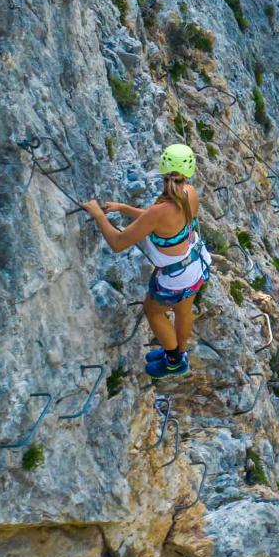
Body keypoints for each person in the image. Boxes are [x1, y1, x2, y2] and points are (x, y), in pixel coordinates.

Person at [83, 144, 211, 382]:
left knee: (154, 311)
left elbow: (119, 243)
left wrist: (98, 214)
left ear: (163, 169)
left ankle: (173, 362)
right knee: (183, 309)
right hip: (196, 264)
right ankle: (178, 353)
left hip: (175, 276)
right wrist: (124, 209)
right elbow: (162, 221)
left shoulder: (160, 210)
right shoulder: (189, 193)